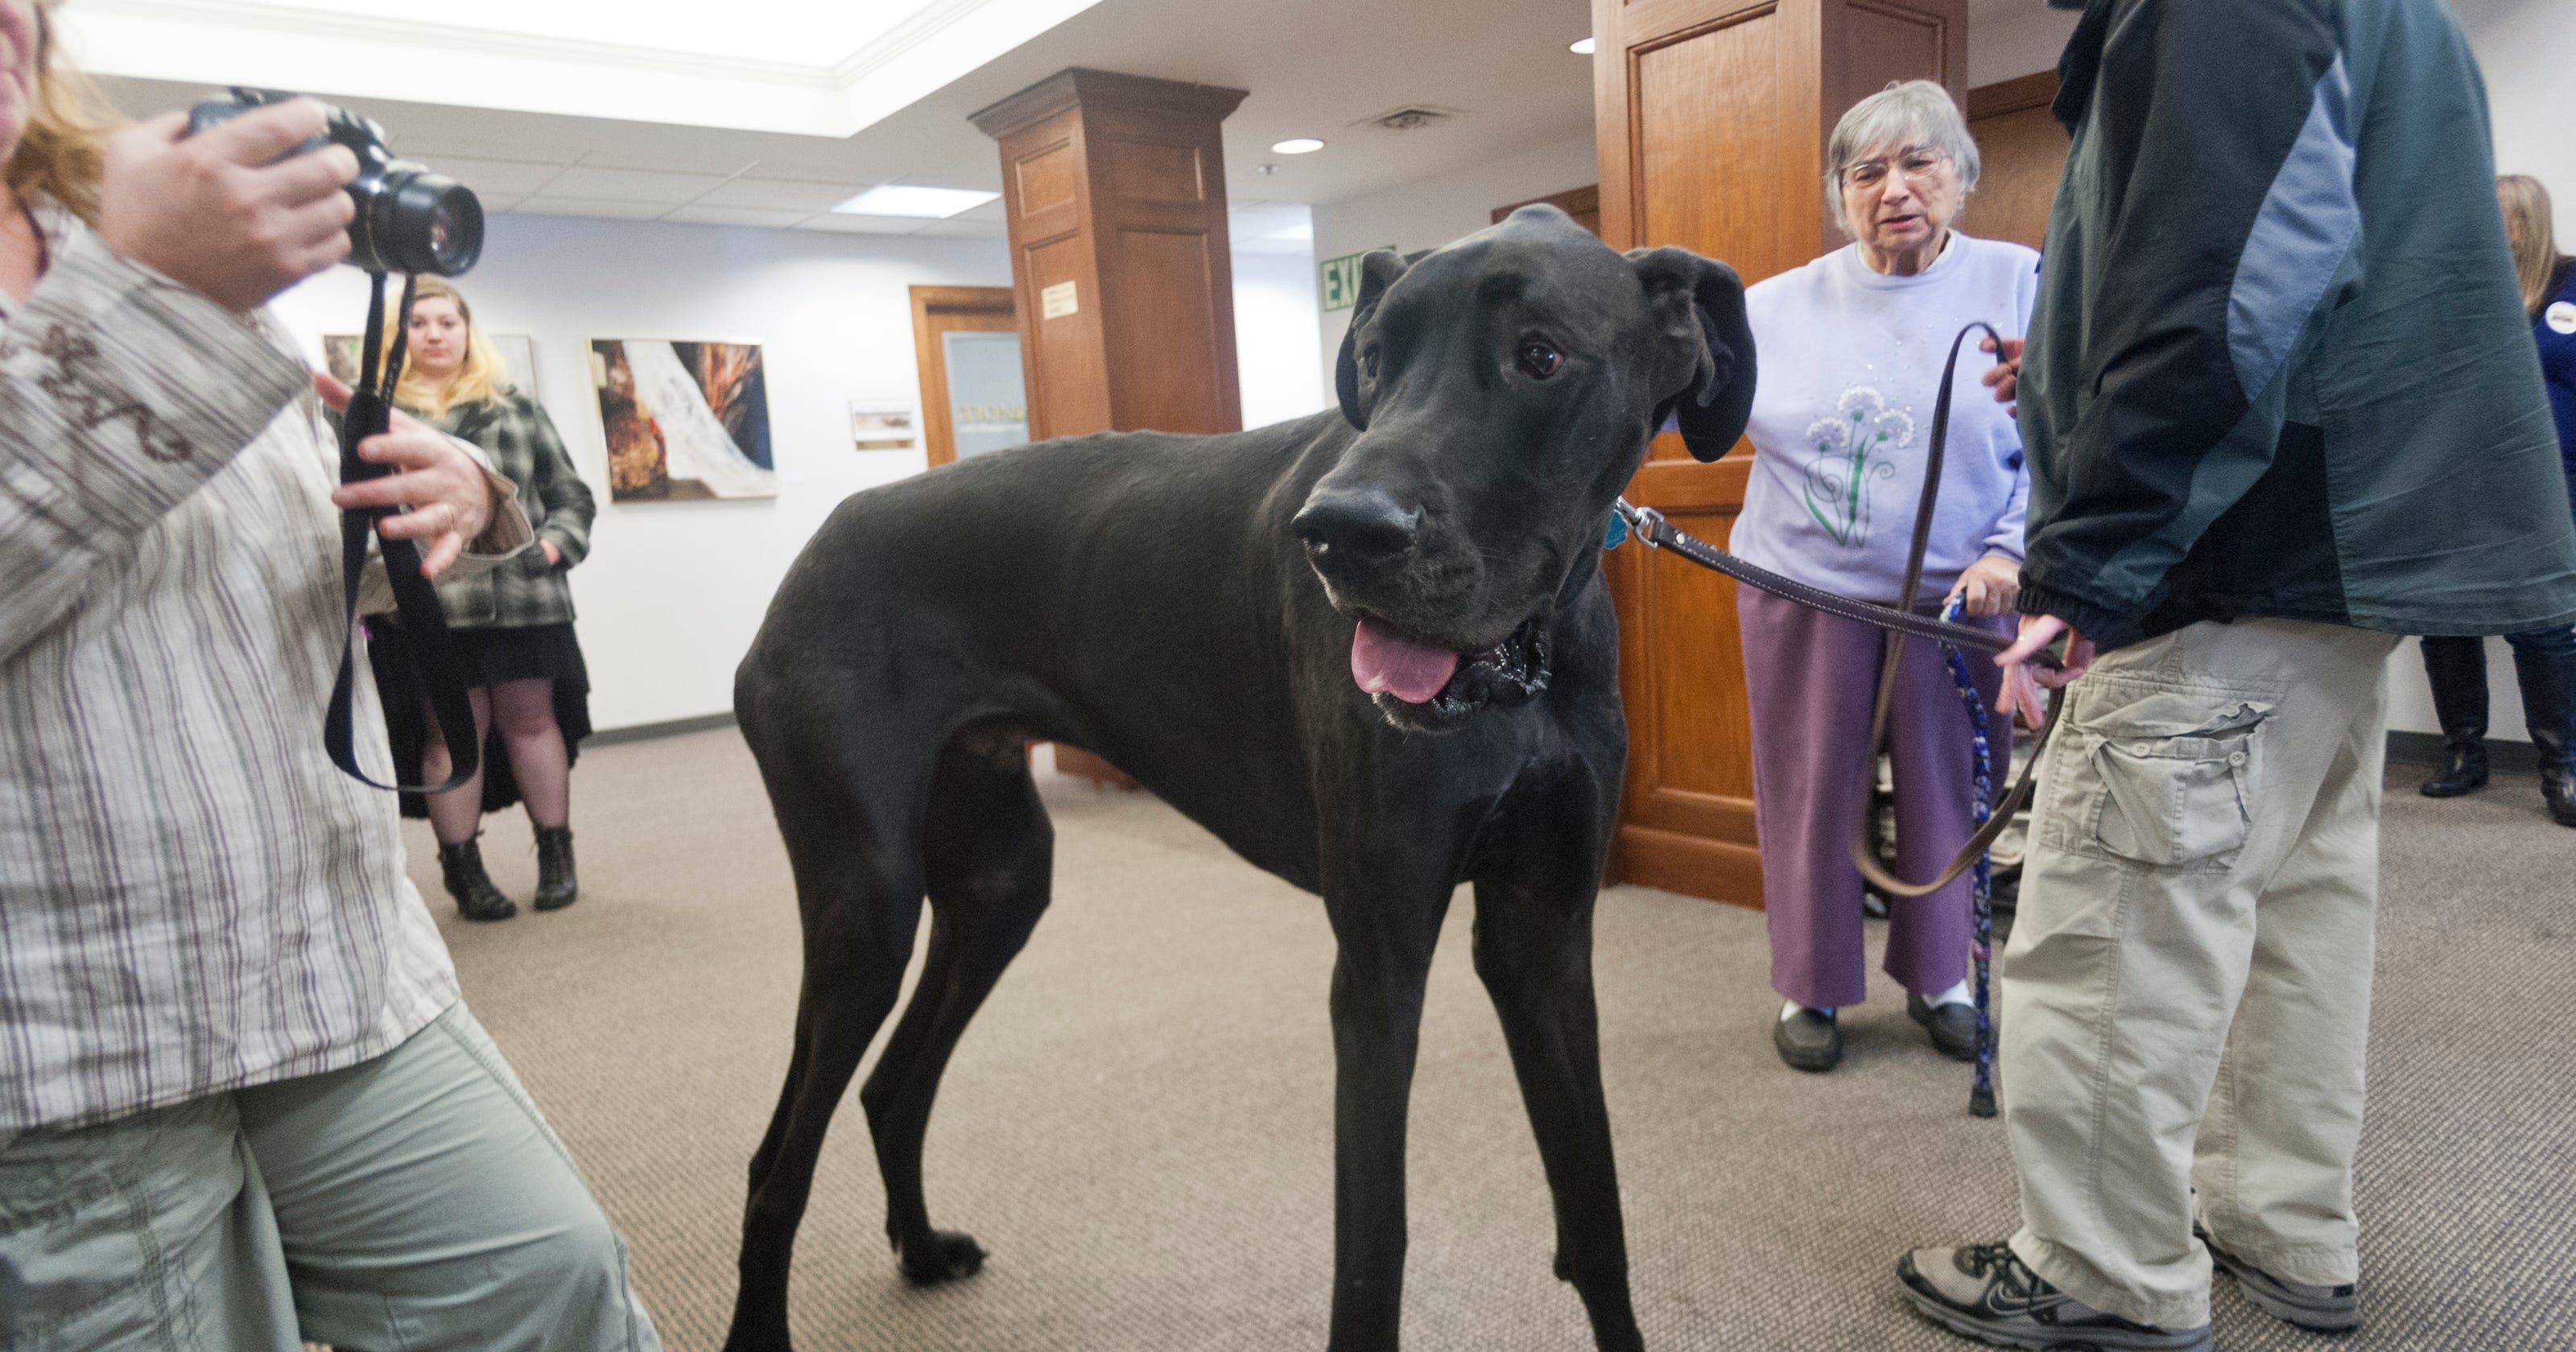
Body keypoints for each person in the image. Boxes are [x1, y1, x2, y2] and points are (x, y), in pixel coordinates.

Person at [1899, 2, 2576, 1350]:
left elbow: (2235, 287)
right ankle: (2282, 1223)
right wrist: (2080, 373)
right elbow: (2297, 255)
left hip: (2224, 551)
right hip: (2335, 553)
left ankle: (2101, 1272)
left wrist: (2093, 560)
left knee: (2118, 926)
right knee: (2294, 916)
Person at [0, 4, 665, 1347]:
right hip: (65, 1041)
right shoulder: (153, 264)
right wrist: (155, 299)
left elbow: (223, 559)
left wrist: (448, 502)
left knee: (553, 1287)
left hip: (328, 963)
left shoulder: (106, 233)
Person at [1729, 79, 2036, 1074]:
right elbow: (1679, 407)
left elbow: (2064, 438)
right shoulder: (1769, 308)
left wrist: (2011, 550)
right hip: (1803, 587)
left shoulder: (2021, 282)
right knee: (1811, 790)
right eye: (1864, 171)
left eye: (1916, 162)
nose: (1892, 188)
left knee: (1949, 786)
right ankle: (1809, 984)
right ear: (1840, 194)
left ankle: (1942, 977)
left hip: (1960, 596)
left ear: (1961, 175)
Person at [374, 275, 599, 921]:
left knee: (533, 722)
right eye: (419, 324)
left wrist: (551, 549)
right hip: (431, 608)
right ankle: (463, 870)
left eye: (447, 322)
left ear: (467, 331)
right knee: (452, 734)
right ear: (398, 336)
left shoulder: (517, 407)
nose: (435, 334)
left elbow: (571, 498)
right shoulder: (378, 418)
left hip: (526, 600)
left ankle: (556, 853)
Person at [2414, 175, 2576, 825]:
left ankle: (2563, 768)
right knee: (2447, 615)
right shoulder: (2460, 287)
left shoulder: (2571, 286)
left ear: (2525, 222)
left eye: (2496, 215)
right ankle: (2463, 753)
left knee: (2545, 623)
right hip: (2458, 475)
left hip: (2551, 481)